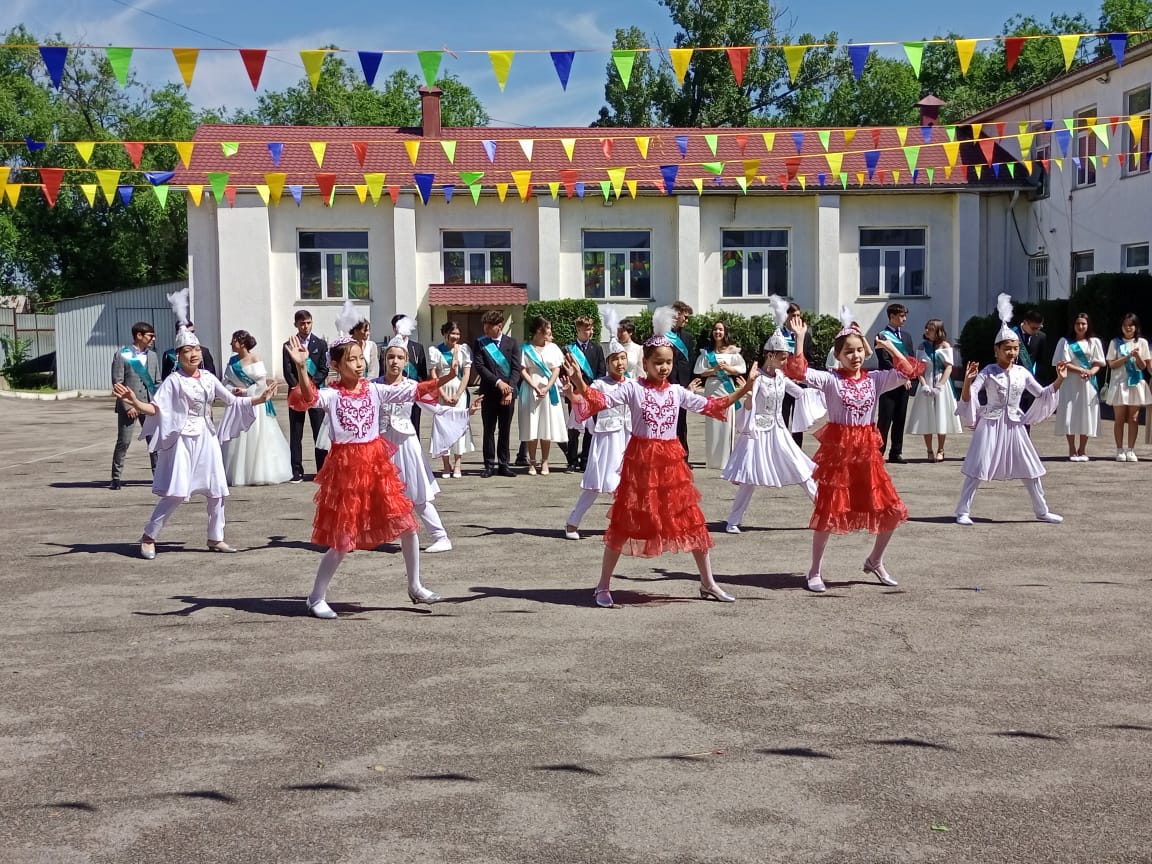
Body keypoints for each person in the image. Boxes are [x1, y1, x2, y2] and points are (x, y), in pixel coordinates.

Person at [565, 306, 757, 608]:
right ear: (646, 362)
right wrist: (578, 381)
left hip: (671, 466)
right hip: (641, 465)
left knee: (694, 522)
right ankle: (602, 585)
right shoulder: (632, 389)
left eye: (668, 362)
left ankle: (708, 582)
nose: (664, 367)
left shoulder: (678, 392)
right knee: (623, 524)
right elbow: (598, 400)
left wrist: (745, 386)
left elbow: (711, 405)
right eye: (658, 362)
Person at [285, 332, 449, 619]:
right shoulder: (333, 395)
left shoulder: (375, 390)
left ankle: (416, 585)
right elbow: (307, 399)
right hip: (347, 472)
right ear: (336, 365)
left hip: (376, 467)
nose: (359, 364)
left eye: (361, 358)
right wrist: (301, 367)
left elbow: (415, 391)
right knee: (342, 539)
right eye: (352, 359)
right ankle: (315, 597)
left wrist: (448, 379)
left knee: (407, 525)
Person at [783, 310, 926, 594]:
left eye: (860, 350)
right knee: (828, 513)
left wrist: (889, 347)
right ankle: (814, 570)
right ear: (838, 355)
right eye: (849, 351)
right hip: (839, 456)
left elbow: (910, 371)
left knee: (892, 510)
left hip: (868, 455)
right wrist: (799, 339)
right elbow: (797, 372)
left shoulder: (876, 379)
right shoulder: (830, 380)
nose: (856, 356)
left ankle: (875, 560)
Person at [114, 326, 274, 560]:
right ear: (178, 356)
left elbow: (231, 400)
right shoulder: (173, 381)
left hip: (207, 436)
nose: (194, 354)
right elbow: (157, 409)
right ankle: (149, 536)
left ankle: (215, 537)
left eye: (196, 349)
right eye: (187, 350)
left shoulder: (208, 377)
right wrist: (136, 403)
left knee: (217, 490)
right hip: (182, 439)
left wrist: (260, 399)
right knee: (177, 492)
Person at [954, 294, 1067, 526]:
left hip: (1015, 424)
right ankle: (962, 511)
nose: (1012, 353)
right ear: (997, 350)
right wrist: (967, 381)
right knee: (977, 467)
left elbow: (1042, 394)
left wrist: (1059, 381)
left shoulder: (1022, 373)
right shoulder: (988, 371)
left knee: (1031, 467)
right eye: (1007, 348)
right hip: (991, 423)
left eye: (1015, 348)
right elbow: (969, 397)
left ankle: (1042, 510)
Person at [377, 335, 477, 555]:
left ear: (406, 362)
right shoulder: (374, 386)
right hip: (381, 445)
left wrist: (465, 412)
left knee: (417, 492)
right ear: (385, 359)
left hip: (406, 444)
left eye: (399, 357)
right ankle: (360, 536)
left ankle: (441, 536)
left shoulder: (412, 386)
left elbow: (437, 408)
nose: (394, 361)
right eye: (391, 357)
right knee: (374, 491)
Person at [722, 331, 818, 534]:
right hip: (757, 432)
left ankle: (826, 511)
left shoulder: (781, 377)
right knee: (749, 477)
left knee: (801, 469)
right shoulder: (757, 378)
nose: (785, 362)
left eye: (786, 357)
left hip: (779, 430)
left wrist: (828, 390)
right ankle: (733, 520)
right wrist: (747, 393)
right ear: (770, 355)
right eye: (782, 357)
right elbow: (748, 406)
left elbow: (800, 393)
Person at [563, 336, 631, 540]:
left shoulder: (633, 383)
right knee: (599, 483)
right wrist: (571, 394)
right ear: (608, 363)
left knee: (628, 484)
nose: (620, 363)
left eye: (623, 358)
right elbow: (584, 403)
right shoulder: (600, 385)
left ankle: (624, 524)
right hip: (607, 439)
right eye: (615, 359)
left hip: (629, 437)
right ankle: (572, 522)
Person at [221, 330, 293, 486]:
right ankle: (240, 473)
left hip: (256, 403)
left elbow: (261, 384)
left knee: (258, 437)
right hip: (240, 404)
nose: (231, 343)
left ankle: (259, 472)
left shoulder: (255, 358)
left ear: (242, 343)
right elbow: (226, 382)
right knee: (238, 438)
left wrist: (246, 391)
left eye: (234, 340)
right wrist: (234, 391)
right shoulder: (232, 361)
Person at [110, 321, 160, 490]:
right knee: (123, 442)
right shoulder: (122, 354)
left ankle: (158, 476)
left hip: (148, 405)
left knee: (154, 442)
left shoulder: (153, 356)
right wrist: (127, 405)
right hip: (129, 406)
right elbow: (117, 382)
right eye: (150, 336)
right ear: (139, 335)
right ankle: (116, 478)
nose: (153, 339)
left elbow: (157, 382)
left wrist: (157, 403)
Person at [472, 309, 521, 478]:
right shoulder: (480, 343)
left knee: (505, 429)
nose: (486, 330)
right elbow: (480, 366)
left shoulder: (512, 343)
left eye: (489, 327)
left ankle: (504, 464)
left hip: (508, 394)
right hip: (489, 392)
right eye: (484, 326)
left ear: (499, 326)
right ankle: (488, 464)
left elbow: (516, 369)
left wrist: (509, 389)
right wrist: (498, 383)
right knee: (489, 429)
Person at [904, 319, 962, 462]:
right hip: (927, 381)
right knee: (927, 416)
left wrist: (941, 385)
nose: (927, 331)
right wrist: (923, 384)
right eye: (926, 328)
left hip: (941, 382)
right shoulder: (922, 346)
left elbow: (949, 367)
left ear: (938, 331)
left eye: (930, 329)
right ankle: (929, 450)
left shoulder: (945, 346)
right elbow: (919, 368)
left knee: (941, 416)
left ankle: (941, 449)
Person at [692, 320, 747, 470]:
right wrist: (715, 370)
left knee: (726, 421)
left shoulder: (732, 351)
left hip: (726, 387)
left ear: (725, 332)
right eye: (715, 329)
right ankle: (713, 460)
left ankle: (726, 460)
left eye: (721, 329)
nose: (718, 332)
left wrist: (727, 368)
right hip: (712, 387)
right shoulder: (706, 352)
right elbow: (699, 371)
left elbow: (741, 369)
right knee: (712, 423)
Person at [282, 310, 329, 483]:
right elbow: (288, 371)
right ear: (295, 324)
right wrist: (298, 388)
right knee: (296, 433)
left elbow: (324, 369)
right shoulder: (288, 344)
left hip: (315, 394)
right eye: (302, 323)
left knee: (320, 432)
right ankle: (296, 470)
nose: (305, 326)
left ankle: (322, 469)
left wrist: (310, 386)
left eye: (308, 322)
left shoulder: (321, 344)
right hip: (295, 394)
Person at [519, 316, 569, 475]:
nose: (550, 332)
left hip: (549, 390)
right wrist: (534, 385)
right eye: (548, 329)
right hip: (530, 389)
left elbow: (556, 369)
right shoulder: (526, 348)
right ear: (539, 330)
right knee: (532, 425)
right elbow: (522, 369)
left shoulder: (553, 348)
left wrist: (547, 387)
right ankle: (532, 462)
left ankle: (545, 461)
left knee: (546, 425)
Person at [1052, 313, 1104, 461]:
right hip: (1070, 382)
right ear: (1073, 325)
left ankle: (1082, 449)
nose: (1081, 327)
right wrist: (1081, 370)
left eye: (1084, 324)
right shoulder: (1065, 342)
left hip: (1088, 383)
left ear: (1088, 325)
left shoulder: (1094, 342)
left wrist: (1090, 372)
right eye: (1078, 324)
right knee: (1070, 412)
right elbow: (1062, 362)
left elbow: (1097, 362)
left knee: (1086, 413)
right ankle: (1072, 448)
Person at [1104, 313, 1151, 462]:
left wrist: (1136, 356)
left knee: (1134, 418)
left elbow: (1143, 366)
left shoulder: (1142, 342)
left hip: (1135, 383)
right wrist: (1126, 357)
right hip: (1119, 383)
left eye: (1131, 325)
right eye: (1125, 325)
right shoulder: (1115, 343)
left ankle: (1131, 449)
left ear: (1136, 327)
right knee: (1119, 418)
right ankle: (1119, 449)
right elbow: (1111, 364)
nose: (1128, 328)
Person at [431, 320, 474, 478]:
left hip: (459, 393)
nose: (455, 336)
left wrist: (458, 394)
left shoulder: (464, 350)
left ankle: (457, 464)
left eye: (457, 333)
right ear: (445, 333)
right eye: (452, 333)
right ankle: (445, 465)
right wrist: (443, 394)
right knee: (444, 428)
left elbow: (467, 374)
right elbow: (434, 374)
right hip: (442, 391)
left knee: (458, 426)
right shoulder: (436, 350)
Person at [565, 315, 607, 471]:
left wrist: (591, 389)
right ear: (579, 329)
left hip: (591, 393)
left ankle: (586, 459)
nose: (590, 332)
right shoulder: (569, 349)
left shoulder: (597, 348)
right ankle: (572, 460)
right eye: (587, 329)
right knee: (574, 428)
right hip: (575, 394)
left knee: (591, 428)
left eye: (592, 328)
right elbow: (566, 372)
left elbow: (601, 371)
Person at [775, 298, 818, 447]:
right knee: (782, 418)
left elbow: (810, 358)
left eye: (798, 316)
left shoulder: (805, 335)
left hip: (799, 384)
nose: (796, 319)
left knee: (798, 421)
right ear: (786, 317)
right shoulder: (778, 335)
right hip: (782, 383)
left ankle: (797, 450)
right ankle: (781, 449)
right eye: (793, 316)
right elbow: (772, 360)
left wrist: (803, 378)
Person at [875, 303, 912, 464]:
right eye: (901, 315)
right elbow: (884, 360)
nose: (904, 319)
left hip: (905, 384)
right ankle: (878, 452)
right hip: (888, 383)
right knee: (885, 419)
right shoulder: (882, 336)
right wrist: (900, 376)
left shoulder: (907, 336)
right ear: (892, 316)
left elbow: (910, 359)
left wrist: (909, 376)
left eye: (905, 315)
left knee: (900, 418)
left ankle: (896, 452)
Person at [389, 314, 429, 436]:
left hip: (413, 392)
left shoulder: (417, 347)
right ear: (393, 328)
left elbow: (422, 372)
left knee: (414, 425)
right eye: (397, 326)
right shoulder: (389, 347)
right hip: (395, 393)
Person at [667, 300, 696, 458]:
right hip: (667, 382)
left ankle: (683, 455)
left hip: (683, 384)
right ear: (676, 314)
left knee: (681, 421)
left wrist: (691, 382)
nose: (686, 320)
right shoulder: (663, 333)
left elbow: (690, 360)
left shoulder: (688, 338)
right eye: (684, 317)